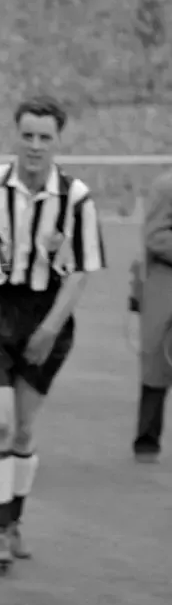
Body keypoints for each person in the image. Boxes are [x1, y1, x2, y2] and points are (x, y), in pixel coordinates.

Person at [0, 96, 106, 571]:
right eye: (27, 135)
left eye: (45, 138)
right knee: (0, 423)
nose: (35, 145)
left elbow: (82, 271)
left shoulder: (76, 198)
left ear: (57, 142)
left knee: (23, 429)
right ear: (16, 134)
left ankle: (14, 518)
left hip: (47, 318)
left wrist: (48, 328)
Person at [132, 168, 172, 459]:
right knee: (156, 363)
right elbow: (154, 236)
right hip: (164, 283)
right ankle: (147, 440)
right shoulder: (166, 186)